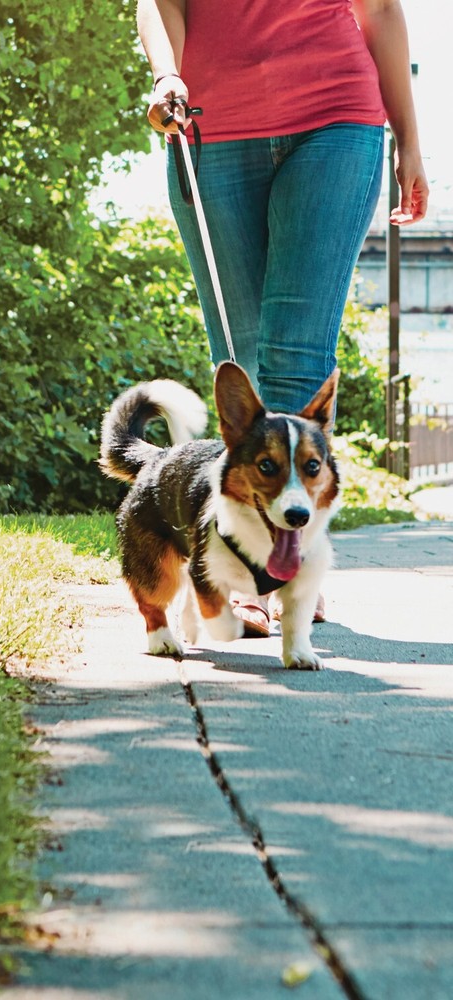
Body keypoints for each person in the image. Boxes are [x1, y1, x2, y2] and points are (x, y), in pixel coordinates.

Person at [136, 0, 428, 636]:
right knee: (241, 364)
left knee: (295, 357)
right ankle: (245, 559)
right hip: (210, 129)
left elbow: (380, 10)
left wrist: (409, 141)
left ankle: (281, 573)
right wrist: (166, 76)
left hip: (336, 119)